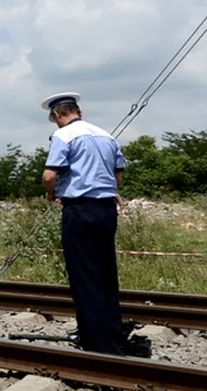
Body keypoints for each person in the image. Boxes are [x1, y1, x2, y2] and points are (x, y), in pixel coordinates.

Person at [40, 92, 126, 356]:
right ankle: (114, 336)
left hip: (79, 209)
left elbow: (49, 175)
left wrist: (52, 193)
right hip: (106, 210)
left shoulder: (63, 136)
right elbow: (118, 176)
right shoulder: (107, 136)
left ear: (57, 115)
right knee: (106, 274)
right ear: (79, 110)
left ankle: (96, 344)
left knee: (84, 276)